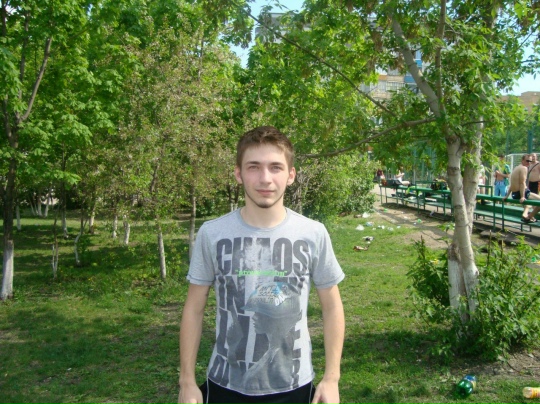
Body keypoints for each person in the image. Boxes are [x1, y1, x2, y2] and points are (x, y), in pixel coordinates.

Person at [178, 126, 345, 404]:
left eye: (275, 167)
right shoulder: (212, 233)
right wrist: (186, 381)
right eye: (253, 167)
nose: (265, 178)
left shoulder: (312, 233)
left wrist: (332, 378)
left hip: (293, 387)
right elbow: (194, 309)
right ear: (238, 174)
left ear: (291, 175)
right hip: (224, 386)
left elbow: (332, 307)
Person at [503, 154, 540, 222]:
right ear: (522, 160)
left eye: (530, 161)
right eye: (527, 161)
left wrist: (507, 196)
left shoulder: (516, 168)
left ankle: (527, 214)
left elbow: (512, 184)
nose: (529, 163)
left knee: (529, 204)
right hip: (522, 193)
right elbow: (522, 183)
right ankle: (530, 216)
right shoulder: (524, 168)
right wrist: (523, 196)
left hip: (514, 194)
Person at [525, 153, 540, 221]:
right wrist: (527, 184)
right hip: (530, 183)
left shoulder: (538, 164)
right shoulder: (530, 165)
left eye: (534, 156)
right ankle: (532, 216)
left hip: (536, 183)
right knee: (530, 200)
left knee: (536, 200)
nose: (533, 158)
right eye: (532, 156)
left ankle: (533, 215)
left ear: (536, 157)